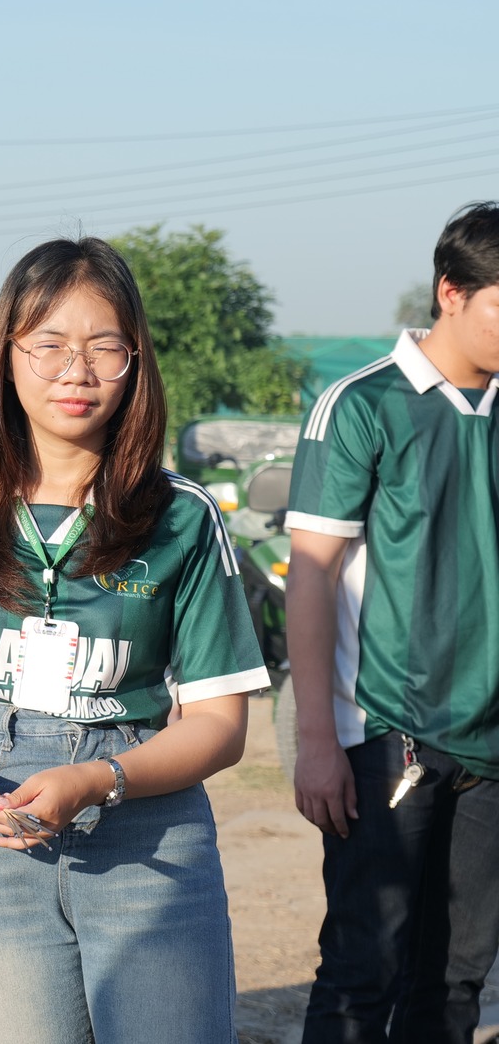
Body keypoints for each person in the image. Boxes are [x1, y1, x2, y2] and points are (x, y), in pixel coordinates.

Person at [0, 237, 269, 1044]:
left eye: (104, 347)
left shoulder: (183, 517)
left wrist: (99, 776)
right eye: (48, 344)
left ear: (136, 361)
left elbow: (222, 726)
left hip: (144, 839)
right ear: (7, 356)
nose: (75, 370)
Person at [287, 201, 499, 1044]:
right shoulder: (363, 405)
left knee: (455, 981)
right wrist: (315, 742)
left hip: (493, 744)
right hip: (388, 737)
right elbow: (311, 577)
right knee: (363, 969)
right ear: (451, 291)